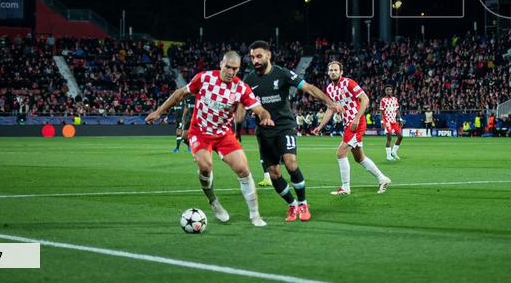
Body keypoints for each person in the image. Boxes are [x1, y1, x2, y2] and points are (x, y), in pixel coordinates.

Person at [146, 50, 274, 227]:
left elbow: (260, 109)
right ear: (221, 64)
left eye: (235, 69)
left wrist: (265, 116)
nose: (231, 72)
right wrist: (158, 111)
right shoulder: (205, 78)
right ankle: (213, 201)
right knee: (205, 167)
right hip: (200, 132)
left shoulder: (241, 88)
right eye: (228, 67)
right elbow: (179, 93)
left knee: (243, 169)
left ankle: (255, 215)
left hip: (223, 135)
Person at [241, 40, 343, 222]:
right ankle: (292, 204)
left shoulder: (282, 73)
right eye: (252, 57)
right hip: (264, 131)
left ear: (268, 55)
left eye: (259, 56)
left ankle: (303, 203)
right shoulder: (249, 80)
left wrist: (330, 102)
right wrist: (236, 127)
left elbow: (309, 88)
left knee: (291, 163)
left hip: (284, 125)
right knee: (274, 173)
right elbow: (241, 104)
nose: (255, 60)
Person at [312, 61, 391, 195]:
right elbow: (331, 109)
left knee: (341, 153)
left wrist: (356, 118)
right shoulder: (330, 89)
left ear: (341, 72)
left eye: (335, 70)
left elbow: (365, 99)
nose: (333, 72)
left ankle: (345, 187)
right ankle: (383, 178)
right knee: (359, 157)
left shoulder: (348, 83)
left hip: (356, 123)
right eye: (330, 70)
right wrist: (320, 126)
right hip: (347, 123)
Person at [380, 86, 403, 161]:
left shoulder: (395, 99)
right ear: (385, 91)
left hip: (394, 121)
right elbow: (382, 112)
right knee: (389, 138)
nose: (389, 91)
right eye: (387, 90)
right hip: (387, 121)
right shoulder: (383, 100)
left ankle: (393, 152)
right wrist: (382, 121)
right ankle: (388, 156)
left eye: (390, 89)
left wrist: (400, 119)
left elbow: (397, 110)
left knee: (400, 136)